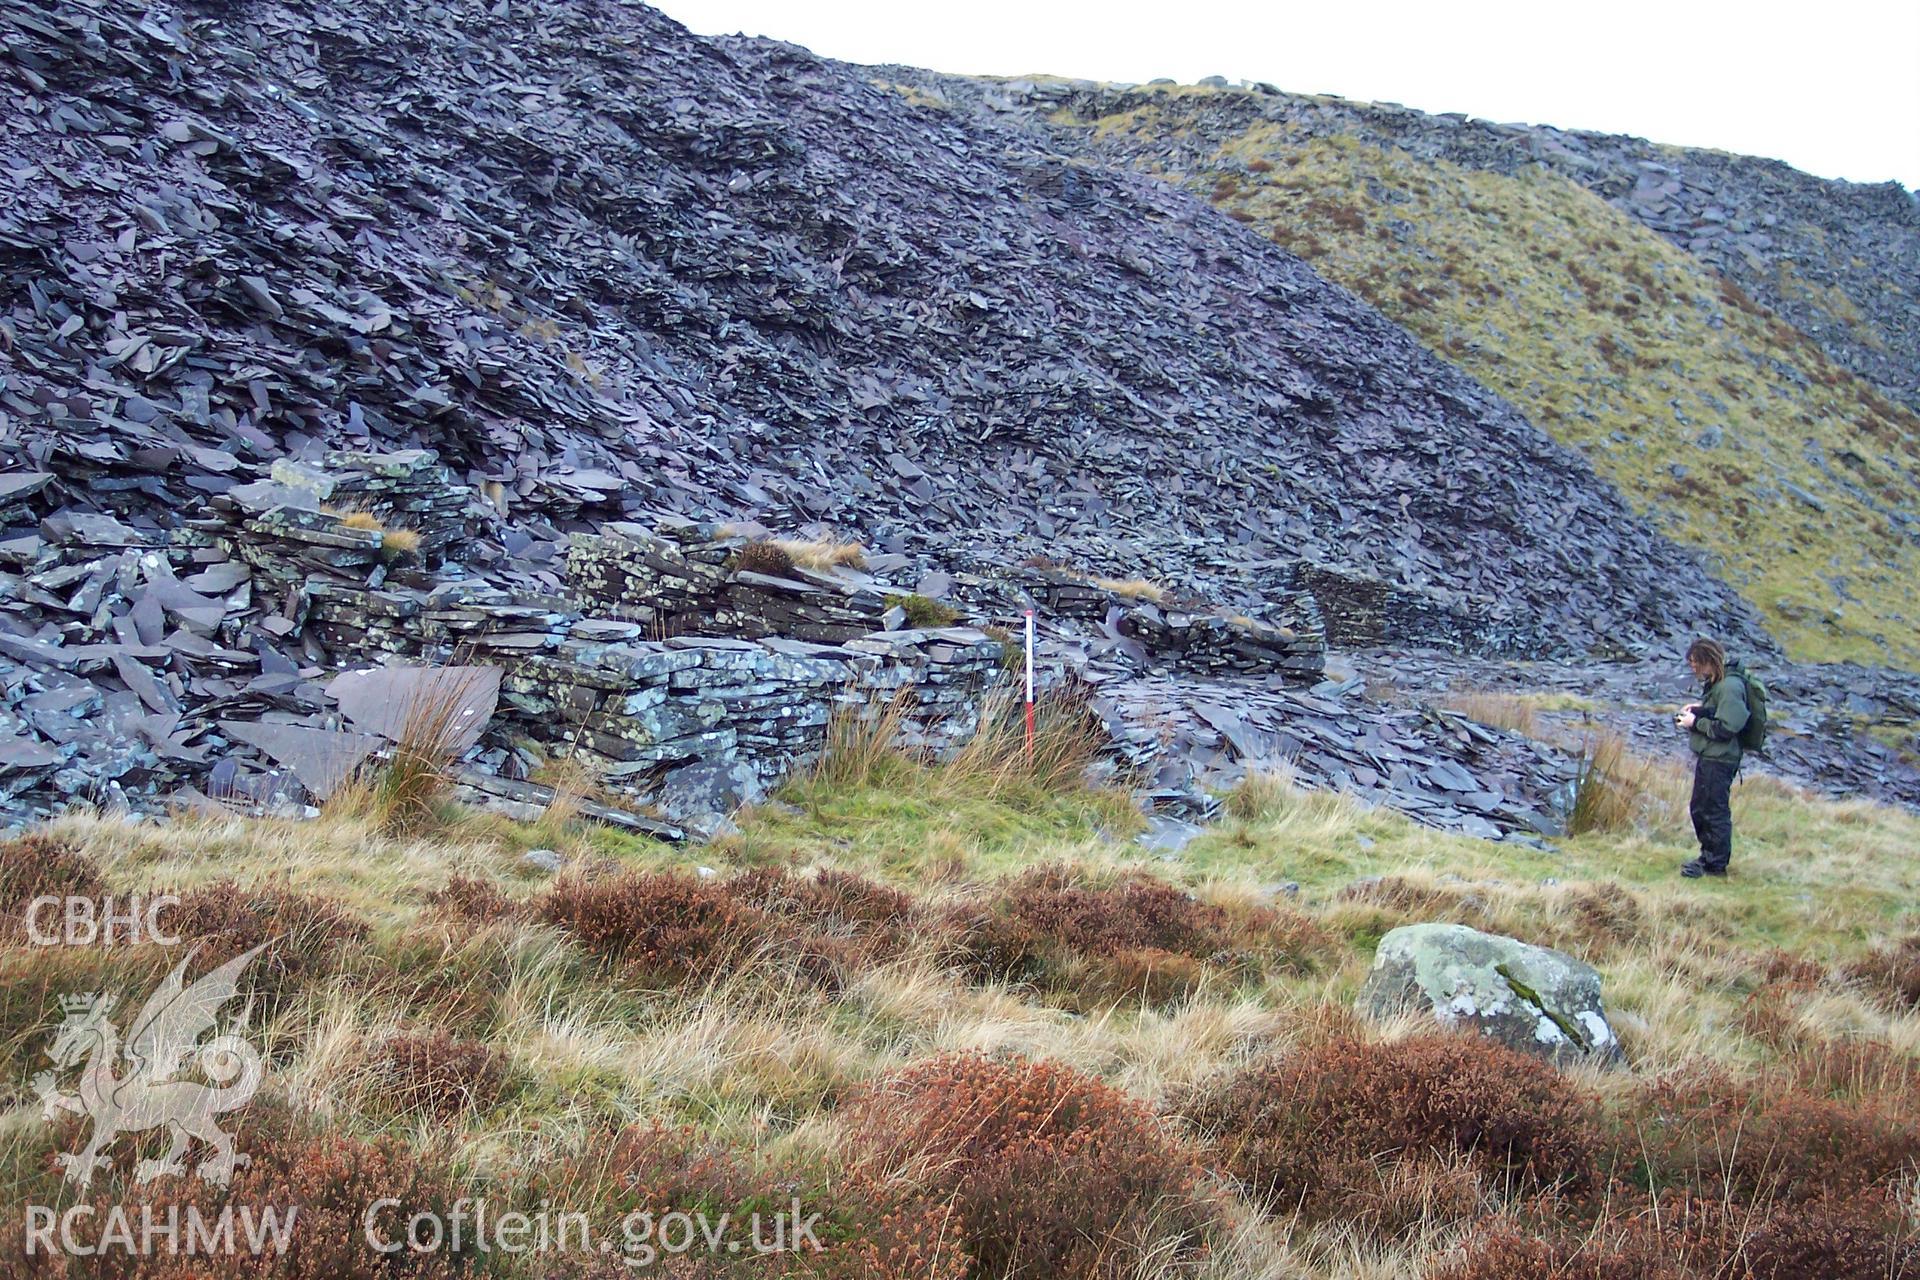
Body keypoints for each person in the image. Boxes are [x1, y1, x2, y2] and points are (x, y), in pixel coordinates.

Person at [1674, 637, 1748, 878]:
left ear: (1707, 660)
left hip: (1721, 759)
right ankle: (1708, 858)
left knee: (1712, 810)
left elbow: (1728, 727)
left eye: (1695, 663)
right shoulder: (1719, 684)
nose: (1693, 669)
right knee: (1700, 807)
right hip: (1712, 757)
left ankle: (1715, 866)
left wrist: (1695, 723)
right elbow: (1720, 713)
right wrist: (1699, 709)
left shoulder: (1729, 686)